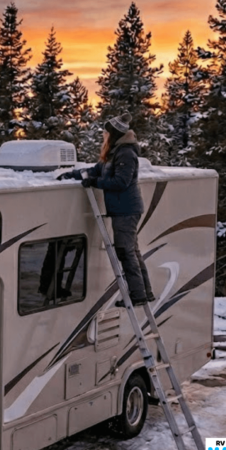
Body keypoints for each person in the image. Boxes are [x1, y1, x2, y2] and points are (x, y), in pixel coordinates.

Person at [58, 112, 155, 307]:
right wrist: (71, 174)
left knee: (125, 251)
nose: (103, 136)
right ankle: (144, 292)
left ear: (114, 134)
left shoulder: (126, 153)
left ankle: (138, 295)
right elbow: (95, 170)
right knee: (131, 251)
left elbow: (121, 181)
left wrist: (95, 182)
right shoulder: (114, 152)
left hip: (126, 210)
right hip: (122, 209)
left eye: (106, 132)